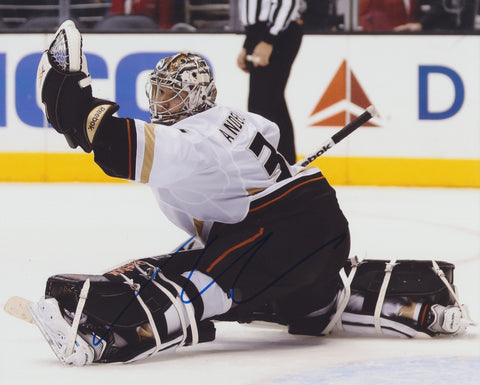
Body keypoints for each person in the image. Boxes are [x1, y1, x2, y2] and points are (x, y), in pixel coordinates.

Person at [30, 20, 470, 366]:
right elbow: (270, 139)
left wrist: (70, 101)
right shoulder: (234, 118)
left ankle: (107, 335)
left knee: (200, 284)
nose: (161, 102)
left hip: (280, 234)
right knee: (306, 298)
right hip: (310, 229)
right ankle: (413, 308)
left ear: (195, 97)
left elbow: (118, 148)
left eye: (171, 94)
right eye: (159, 91)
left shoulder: (194, 142)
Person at [236, 0, 304, 164]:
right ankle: (280, 164)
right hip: (261, 33)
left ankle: (282, 164)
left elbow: (287, 3)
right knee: (262, 103)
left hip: (278, 31)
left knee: (267, 102)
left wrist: (269, 39)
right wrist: (248, 44)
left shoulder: (272, 34)